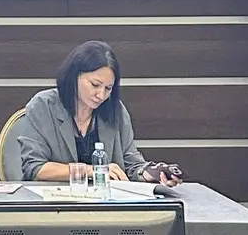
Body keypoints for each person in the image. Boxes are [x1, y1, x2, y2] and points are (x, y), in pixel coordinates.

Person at [10, 39, 178, 185]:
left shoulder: (115, 110)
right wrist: (92, 170)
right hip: (56, 204)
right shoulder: (43, 106)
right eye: (95, 85)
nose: (101, 95)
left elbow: (131, 165)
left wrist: (153, 173)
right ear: (74, 76)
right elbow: (35, 168)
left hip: (107, 204)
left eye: (108, 88)